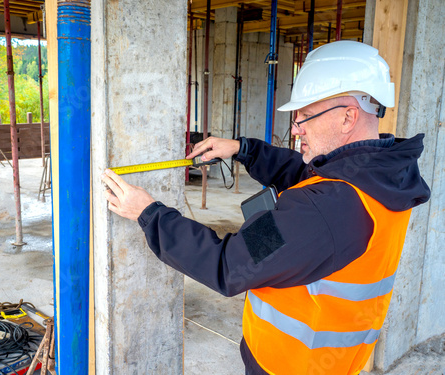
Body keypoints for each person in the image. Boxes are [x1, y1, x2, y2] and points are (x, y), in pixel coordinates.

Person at [100, 41, 430, 375]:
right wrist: (243, 149)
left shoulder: (319, 211)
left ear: (348, 116)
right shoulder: (381, 176)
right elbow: (307, 172)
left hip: (287, 366)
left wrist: (149, 213)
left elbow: (228, 263)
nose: (296, 126)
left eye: (305, 114)